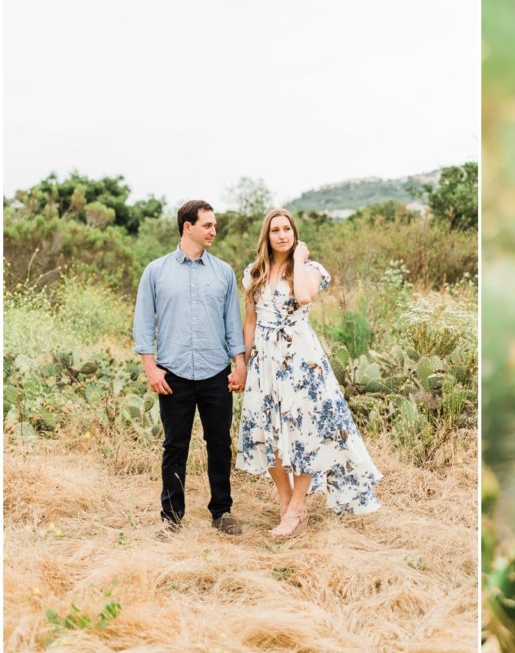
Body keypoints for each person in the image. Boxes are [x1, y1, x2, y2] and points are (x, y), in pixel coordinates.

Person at [236, 208, 381, 537]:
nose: (282, 234)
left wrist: (299, 260)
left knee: (306, 431)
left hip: (301, 361)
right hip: (264, 361)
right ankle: (287, 503)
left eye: (287, 229)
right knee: (266, 430)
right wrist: (242, 363)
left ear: (295, 233)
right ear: (267, 235)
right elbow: (250, 321)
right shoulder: (253, 272)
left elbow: (304, 296)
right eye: (275, 230)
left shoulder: (311, 269)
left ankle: (299, 505)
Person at [133, 200, 247, 536]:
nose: (214, 231)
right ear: (188, 227)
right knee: (175, 446)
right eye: (208, 225)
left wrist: (239, 366)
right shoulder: (156, 271)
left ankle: (221, 511)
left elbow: (233, 324)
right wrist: (151, 369)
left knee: (220, 443)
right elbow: (143, 323)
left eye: (214, 225)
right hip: (173, 373)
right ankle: (171, 517)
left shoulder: (223, 272)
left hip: (215, 372)